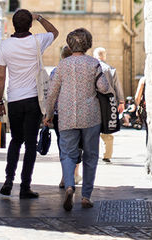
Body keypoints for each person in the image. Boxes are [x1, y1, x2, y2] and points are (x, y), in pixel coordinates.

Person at [44, 28, 110, 211]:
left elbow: (52, 94)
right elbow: (103, 87)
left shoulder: (62, 66)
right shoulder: (93, 63)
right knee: (90, 155)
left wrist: (48, 115)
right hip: (90, 115)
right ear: (88, 44)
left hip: (65, 115)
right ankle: (86, 196)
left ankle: (70, 185)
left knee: (67, 153)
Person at [0, 9, 58, 199]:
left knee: (15, 140)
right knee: (31, 143)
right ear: (30, 24)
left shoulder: (4, 46)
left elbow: (1, 76)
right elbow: (54, 32)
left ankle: (8, 181)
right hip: (33, 99)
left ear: (14, 25)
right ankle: (25, 186)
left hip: (14, 99)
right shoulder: (37, 41)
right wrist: (38, 17)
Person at [50, 45, 82, 188]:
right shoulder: (83, 71)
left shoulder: (55, 72)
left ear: (62, 56)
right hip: (78, 113)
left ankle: (65, 177)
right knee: (77, 144)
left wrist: (48, 113)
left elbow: (51, 95)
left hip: (60, 114)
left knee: (63, 145)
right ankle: (74, 174)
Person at [93, 47, 125, 163]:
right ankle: (107, 155)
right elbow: (117, 87)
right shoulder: (111, 70)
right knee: (107, 127)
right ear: (104, 56)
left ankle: (92, 153)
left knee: (93, 128)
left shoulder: (92, 68)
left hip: (94, 101)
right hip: (109, 101)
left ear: (95, 56)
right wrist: (121, 102)